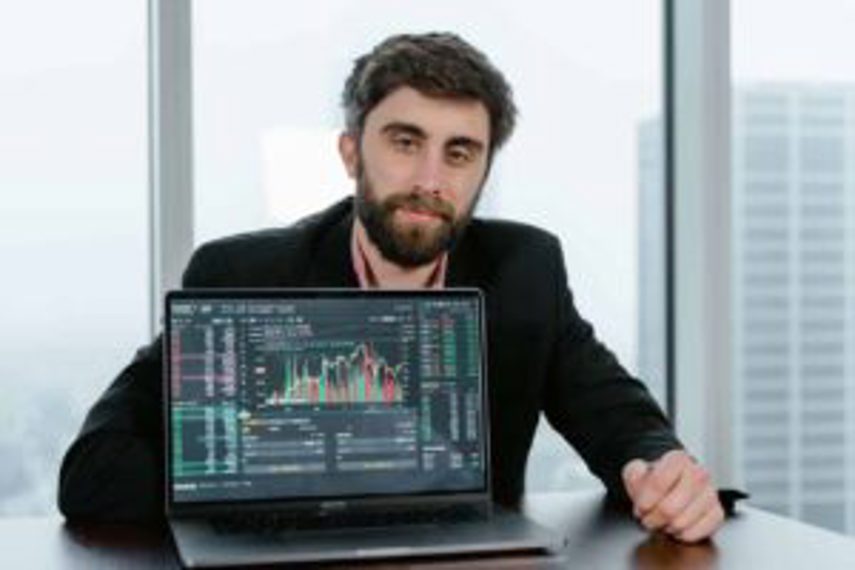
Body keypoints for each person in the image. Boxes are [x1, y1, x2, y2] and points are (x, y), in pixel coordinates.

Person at [58, 31, 724, 543]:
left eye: (459, 152)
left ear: (484, 167)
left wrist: (657, 467)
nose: (431, 179)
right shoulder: (241, 276)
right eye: (405, 142)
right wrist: (283, 483)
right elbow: (93, 471)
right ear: (352, 152)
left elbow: (618, 418)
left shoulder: (525, 269)